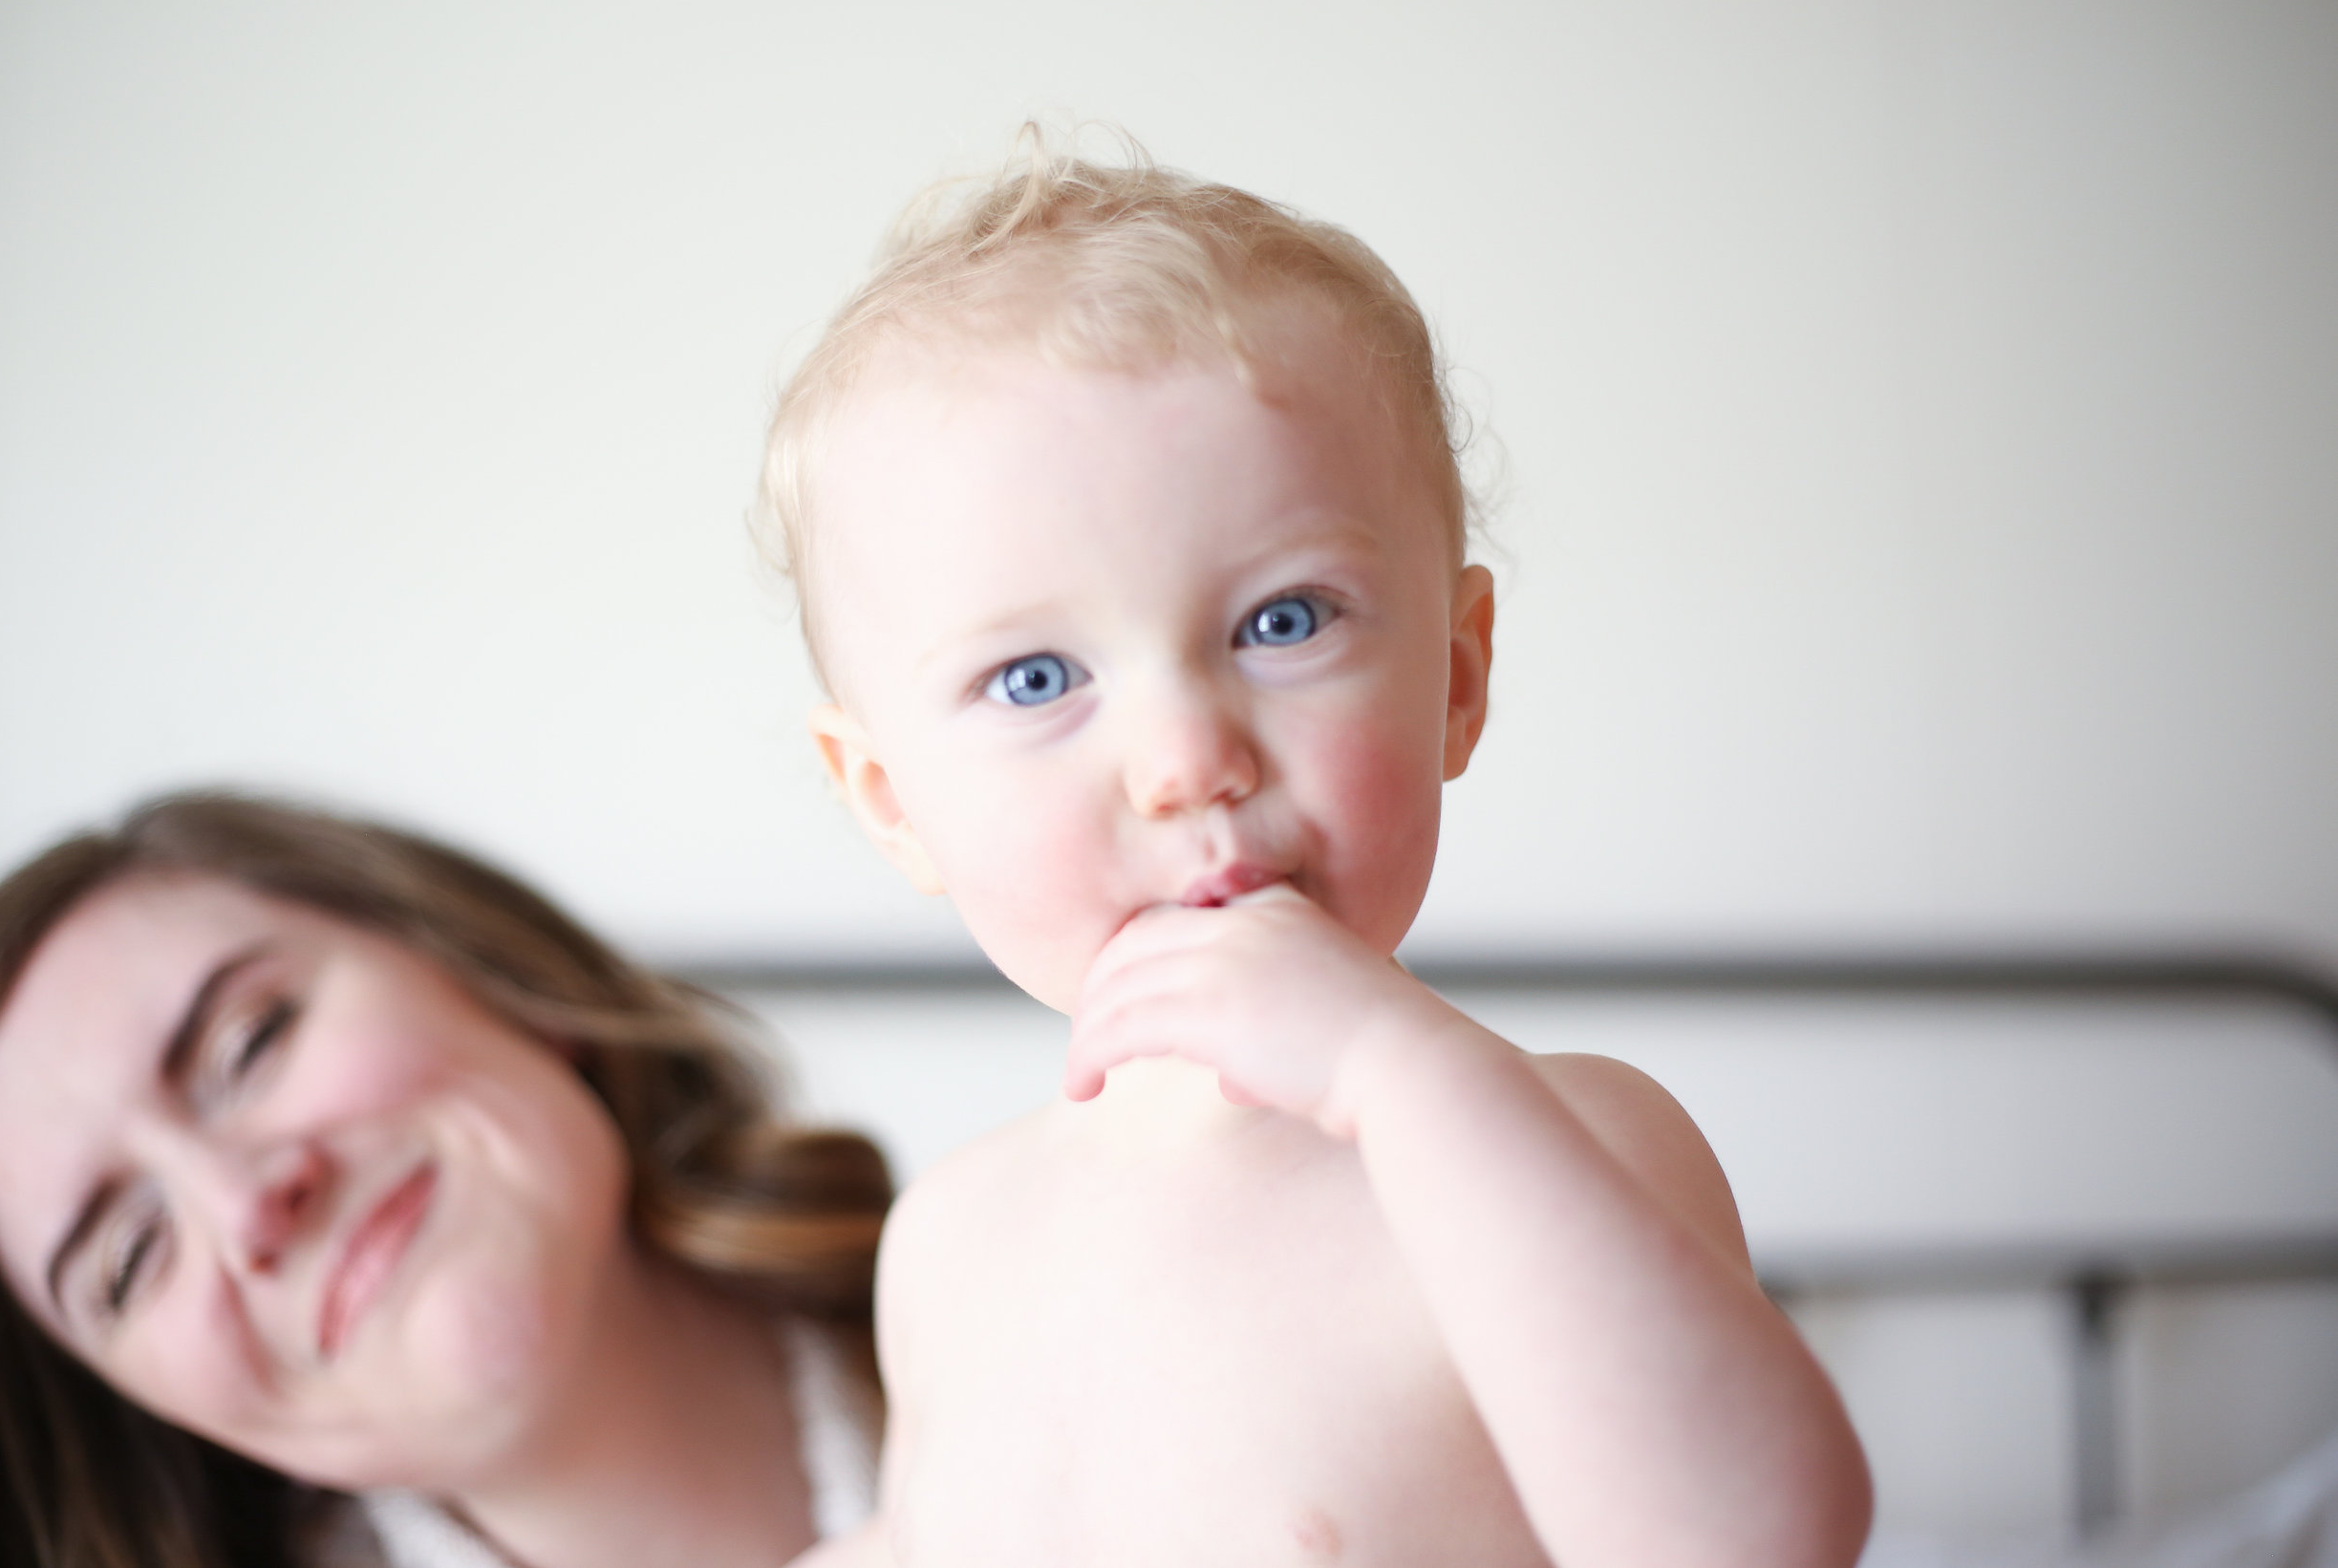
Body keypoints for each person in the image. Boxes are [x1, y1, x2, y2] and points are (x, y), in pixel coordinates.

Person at [755, 131, 1877, 1567]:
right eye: (1037, 677)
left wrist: (1393, 1074)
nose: (1184, 759)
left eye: (1282, 621)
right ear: (890, 797)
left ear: (1457, 678)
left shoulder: (1570, 1142)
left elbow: (1762, 1537)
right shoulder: (950, 1239)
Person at [0, 791, 892, 1568]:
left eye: (252, 1040)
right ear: (156, 1418)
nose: (242, 1206)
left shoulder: (1021, 1283)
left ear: (488, 967)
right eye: (129, 1260)